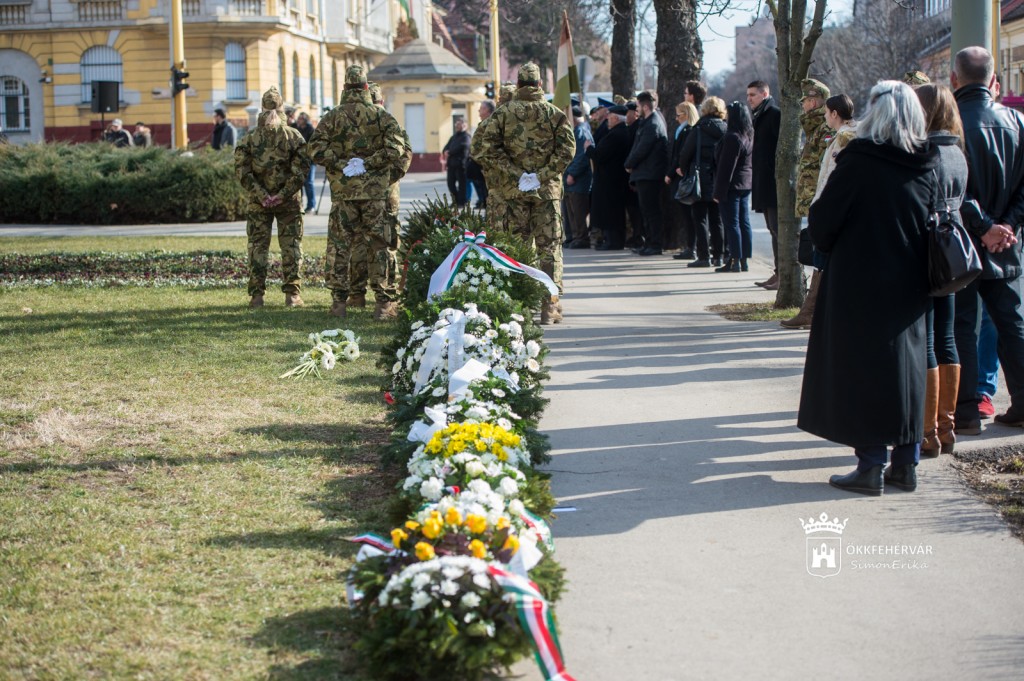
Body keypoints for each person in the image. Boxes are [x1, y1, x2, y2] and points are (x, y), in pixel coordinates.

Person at [799, 80, 939, 495]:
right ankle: (906, 464)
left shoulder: (859, 160)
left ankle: (871, 464)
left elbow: (823, 222)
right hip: (911, 284)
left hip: (858, 281)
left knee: (863, 370)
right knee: (907, 371)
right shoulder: (927, 163)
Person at [951, 46, 1024, 430]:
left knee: (962, 325)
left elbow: (953, 188)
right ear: (994, 81)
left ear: (953, 79)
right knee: (1012, 324)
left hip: (962, 244)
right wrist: (1005, 225)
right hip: (1007, 244)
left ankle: (965, 411)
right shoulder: (1017, 121)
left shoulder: (951, 125)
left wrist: (983, 227)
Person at [308, 64, 411, 319]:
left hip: (344, 194)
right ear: (366, 86)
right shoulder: (381, 116)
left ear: (345, 87)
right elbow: (397, 148)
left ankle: (339, 304)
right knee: (380, 246)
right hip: (376, 194)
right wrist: (370, 163)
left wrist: (342, 163)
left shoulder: (332, 117)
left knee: (341, 247)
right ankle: (383, 305)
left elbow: (315, 149)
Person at [475, 62, 575, 324]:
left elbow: (487, 149)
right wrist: (541, 176)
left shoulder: (503, 114)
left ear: (518, 84)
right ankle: (549, 306)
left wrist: (516, 174)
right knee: (549, 248)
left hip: (513, 193)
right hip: (547, 192)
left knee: (515, 249)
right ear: (540, 84)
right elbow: (567, 150)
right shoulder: (554, 114)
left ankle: (517, 303)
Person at [914, 83, 968, 455]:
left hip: (928, 247)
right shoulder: (957, 151)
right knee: (947, 337)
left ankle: (928, 431)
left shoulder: (924, 152)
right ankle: (946, 429)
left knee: (928, 340)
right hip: (954, 248)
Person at [233, 86, 309, 309]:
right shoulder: (294, 136)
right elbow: (301, 171)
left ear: (262, 108)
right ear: (282, 107)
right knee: (291, 246)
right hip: (289, 202)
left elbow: (242, 172)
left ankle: (257, 297)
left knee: (257, 247)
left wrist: (262, 195)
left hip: (259, 203)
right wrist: (282, 195)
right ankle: (292, 296)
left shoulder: (249, 138)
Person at [345, 82, 413, 310]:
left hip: (356, 192)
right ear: (381, 101)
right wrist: (388, 178)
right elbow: (404, 155)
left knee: (358, 241)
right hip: (386, 193)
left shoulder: (351, 122)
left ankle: (356, 294)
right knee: (385, 242)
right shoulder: (390, 122)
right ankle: (385, 297)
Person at [781, 78, 832, 330]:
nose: (803, 105)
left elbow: (827, 168)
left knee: (821, 255)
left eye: (805, 101)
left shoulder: (825, 128)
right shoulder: (814, 127)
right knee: (817, 255)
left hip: (821, 200)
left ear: (813, 101)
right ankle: (812, 310)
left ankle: (813, 311)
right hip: (815, 199)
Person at [678, 96, 727, 268]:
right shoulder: (725, 129)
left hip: (699, 178)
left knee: (700, 219)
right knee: (717, 219)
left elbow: (686, 153)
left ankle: (704, 256)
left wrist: (684, 169)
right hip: (719, 178)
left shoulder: (699, 129)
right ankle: (719, 256)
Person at [624, 90, 670, 256]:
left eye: (638, 106)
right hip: (645, 173)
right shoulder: (648, 122)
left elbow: (642, 148)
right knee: (646, 211)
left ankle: (655, 244)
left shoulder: (653, 124)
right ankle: (649, 242)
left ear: (645, 106)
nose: (636, 110)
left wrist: (629, 164)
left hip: (650, 174)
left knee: (651, 211)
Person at [747, 80, 781, 289]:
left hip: (773, 183)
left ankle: (783, 276)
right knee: (772, 229)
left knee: (778, 230)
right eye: (748, 95)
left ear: (764, 94)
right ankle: (778, 273)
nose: (749, 99)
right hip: (764, 181)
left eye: (753, 95)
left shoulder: (774, 114)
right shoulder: (760, 115)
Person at [713, 101, 754, 273]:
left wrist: (718, 192)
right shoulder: (748, 135)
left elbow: (726, 168)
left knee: (732, 223)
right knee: (744, 222)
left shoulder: (732, 137)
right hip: (745, 183)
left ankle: (735, 259)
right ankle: (743, 259)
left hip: (731, 186)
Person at [471, 83, 518, 231]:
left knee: (497, 224)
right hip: (519, 182)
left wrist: (490, 165)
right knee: (519, 226)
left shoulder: (488, 123)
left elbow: (476, 151)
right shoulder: (523, 120)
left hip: (497, 181)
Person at [586, 105, 631, 250]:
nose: (608, 121)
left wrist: (588, 148)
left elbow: (600, 155)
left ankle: (613, 241)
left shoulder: (616, 134)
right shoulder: (616, 132)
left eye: (610, 118)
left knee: (611, 212)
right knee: (609, 211)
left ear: (616, 118)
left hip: (611, 180)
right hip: (611, 179)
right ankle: (610, 240)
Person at [667, 101, 699, 260]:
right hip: (680, 175)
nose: (676, 118)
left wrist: (670, 173)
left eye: (678, 115)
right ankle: (690, 246)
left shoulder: (689, 130)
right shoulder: (683, 130)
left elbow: (681, 154)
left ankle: (692, 247)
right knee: (686, 216)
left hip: (683, 176)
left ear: (686, 115)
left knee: (690, 216)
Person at [565, 106, 595, 248]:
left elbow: (582, 156)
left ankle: (581, 238)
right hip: (573, 180)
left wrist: (572, 173)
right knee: (572, 211)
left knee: (578, 211)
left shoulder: (581, 132)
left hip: (579, 180)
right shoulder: (577, 130)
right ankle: (575, 236)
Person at [466, 100, 494, 209]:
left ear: (488, 110)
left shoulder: (491, 124)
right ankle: (483, 203)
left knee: (488, 192)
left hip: (485, 166)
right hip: (478, 165)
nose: (479, 111)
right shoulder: (483, 124)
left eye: (482, 108)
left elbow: (489, 147)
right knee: (482, 190)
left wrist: (484, 165)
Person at [442, 117, 471, 207]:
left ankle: (461, 202)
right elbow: (446, 147)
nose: (457, 126)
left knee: (462, 185)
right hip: (451, 164)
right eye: (456, 124)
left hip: (461, 165)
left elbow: (463, 146)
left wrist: (450, 152)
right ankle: (455, 201)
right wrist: (445, 151)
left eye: (459, 124)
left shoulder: (466, 136)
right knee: (450, 184)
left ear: (465, 125)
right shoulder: (454, 137)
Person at [292, 111, 317, 213]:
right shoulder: (295, 127)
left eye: (301, 119)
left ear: (306, 120)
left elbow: (313, 144)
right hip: (298, 160)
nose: (299, 120)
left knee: (309, 182)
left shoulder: (310, 129)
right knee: (298, 183)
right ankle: (299, 204)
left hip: (309, 160)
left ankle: (311, 205)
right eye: (298, 118)